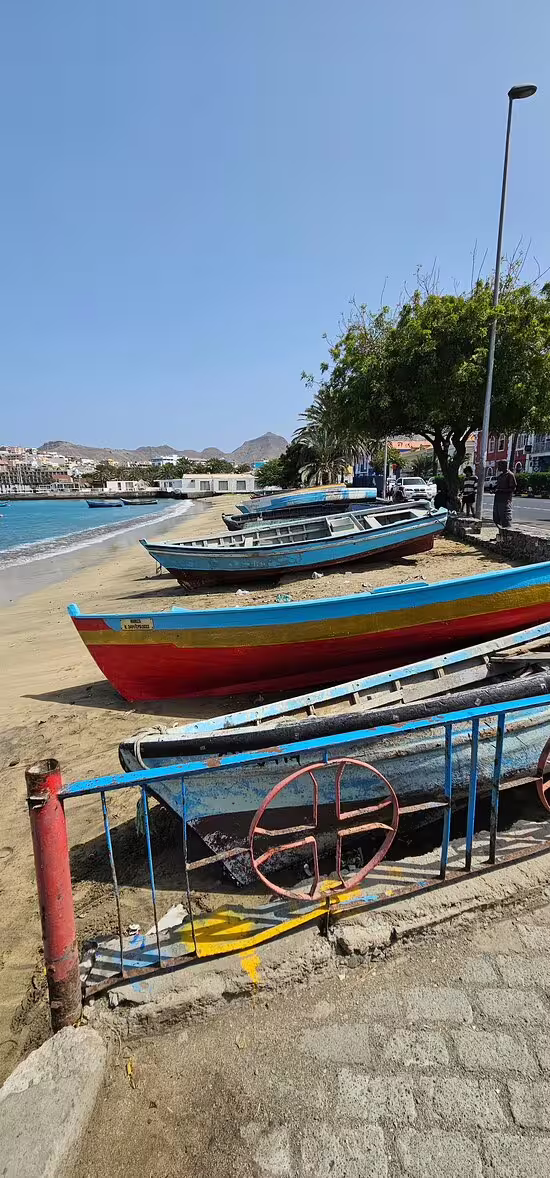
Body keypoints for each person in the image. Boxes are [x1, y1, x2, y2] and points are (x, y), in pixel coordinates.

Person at [493, 460, 516, 530]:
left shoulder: (510, 475)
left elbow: (512, 489)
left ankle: (506, 537)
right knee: (496, 519)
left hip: (505, 500)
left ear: (504, 465)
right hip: (497, 500)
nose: (498, 467)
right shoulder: (500, 476)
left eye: (499, 465)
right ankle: (500, 536)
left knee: (505, 519)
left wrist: (500, 490)